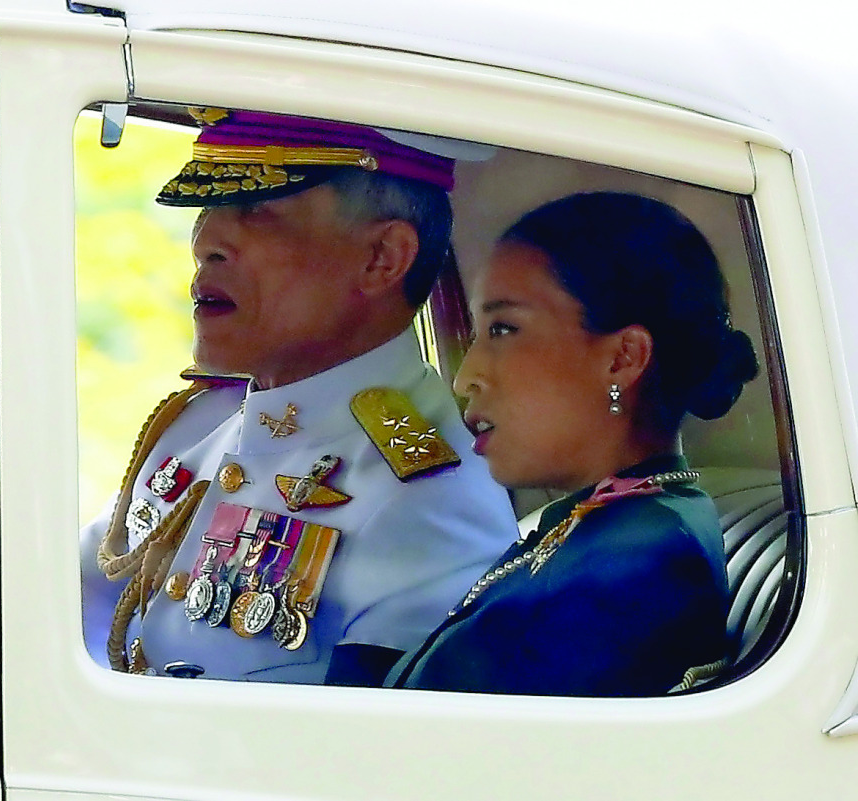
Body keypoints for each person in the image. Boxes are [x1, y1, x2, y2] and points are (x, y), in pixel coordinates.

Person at [77, 108, 519, 684]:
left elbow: (364, 735)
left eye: (257, 207)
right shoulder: (197, 424)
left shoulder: (432, 503)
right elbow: (49, 604)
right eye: (209, 207)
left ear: (382, 258)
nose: (207, 242)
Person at [385, 191, 760, 696]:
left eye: (503, 329)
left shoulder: (631, 569)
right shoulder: (607, 523)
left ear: (622, 359)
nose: (466, 377)